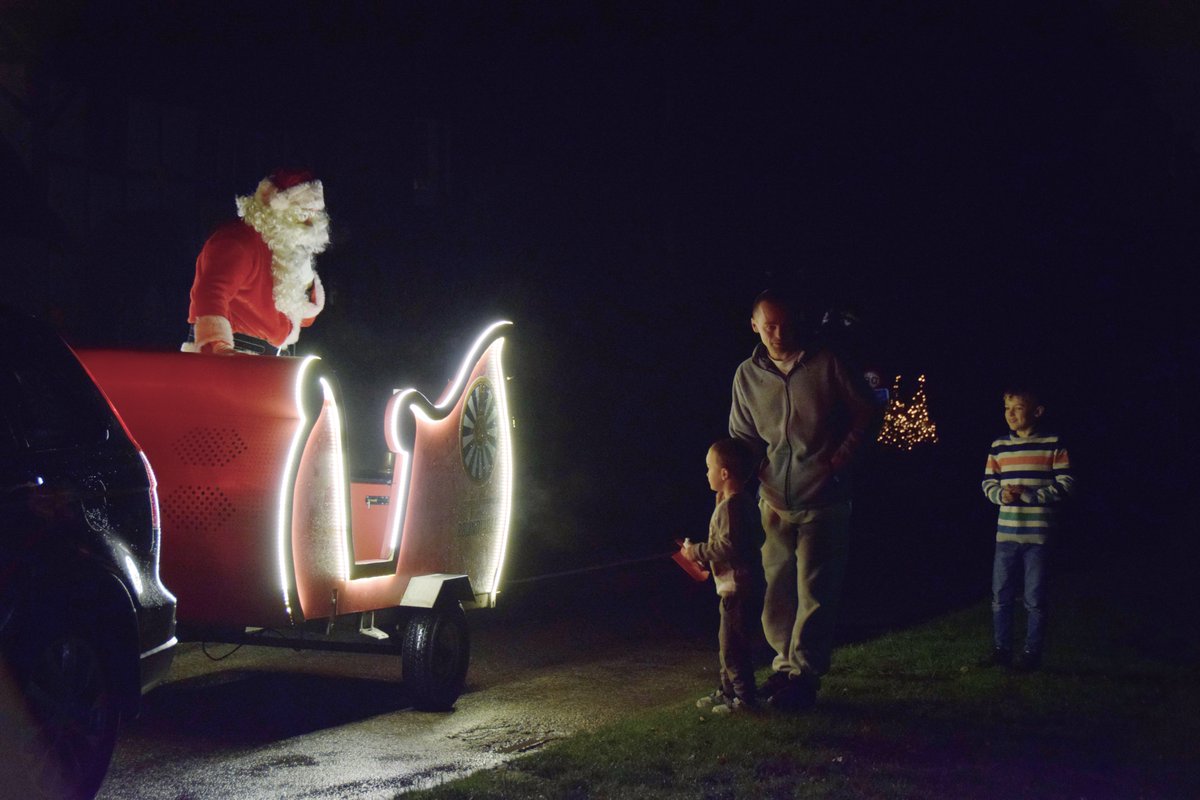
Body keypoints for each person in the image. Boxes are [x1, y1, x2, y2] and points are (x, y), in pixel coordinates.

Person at [729, 289, 877, 710]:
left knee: (815, 590)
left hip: (823, 498)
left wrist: (840, 460)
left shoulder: (827, 364)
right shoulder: (747, 375)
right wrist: (742, 477)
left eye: (783, 324)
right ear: (754, 325)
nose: (777, 333)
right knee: (777, 587)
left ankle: (805, 675)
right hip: (773, 499)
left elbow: (866, 412)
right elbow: (744, 436)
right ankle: (783, 666)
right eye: (768, 325)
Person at [183, 168, 330, 355]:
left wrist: (306, 280)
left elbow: (303, 320)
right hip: (234, 354)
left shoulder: (283, 254)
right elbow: (210, 292)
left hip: (268, 360)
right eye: (302, 215)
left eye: (314, 216)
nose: (310, 225)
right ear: (276, 207)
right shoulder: (238, 241)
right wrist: (217, 348)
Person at [980, 386, 1074, 671]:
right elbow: (988, 483)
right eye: (1007, 408)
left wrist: (1032, 496)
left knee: (1034, 597)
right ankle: (1002, 649)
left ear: (1037, 411)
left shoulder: (1053, 444)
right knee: (1001, 595)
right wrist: (1001, 496)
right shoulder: (999, 447)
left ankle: (1032, 653)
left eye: (1018, 408)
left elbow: (1067, 483)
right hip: (1006, 534)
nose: (1010, 414)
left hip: (1038, 535)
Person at [680, 438, 765, 714]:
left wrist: (696, 552)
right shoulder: (743, 502)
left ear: (724, 473)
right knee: (727, 643)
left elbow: (728, 545)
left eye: (709, 468)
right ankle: (728, 691)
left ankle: (744, 699)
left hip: (738, 589)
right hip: (738, 588)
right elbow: (756, 536)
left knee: (733, 648)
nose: (706, 473)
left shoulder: (732, 507)